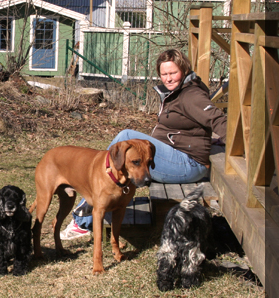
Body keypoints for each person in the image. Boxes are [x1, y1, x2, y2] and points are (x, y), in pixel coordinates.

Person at [60, 48, 227, 239]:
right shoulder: (178, 92)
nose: (168, 78)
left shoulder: (191, 95)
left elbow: (217, 119)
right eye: (164, 74)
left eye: (173, 73)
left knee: (124, 139)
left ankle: (84, 218)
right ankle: (95, 199)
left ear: (185, 70)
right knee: (123, 159)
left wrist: (237, 146)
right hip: (178, 154)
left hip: (188, 163)